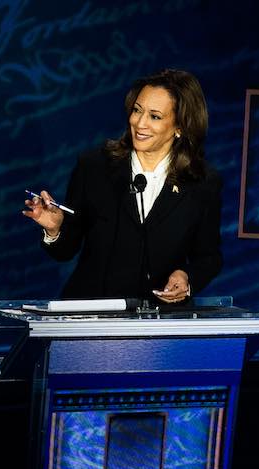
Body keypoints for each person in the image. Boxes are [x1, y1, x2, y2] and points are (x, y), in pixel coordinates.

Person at [23, 69, 222, 303]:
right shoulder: (94, 167)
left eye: (155, 116)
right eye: (137, 110)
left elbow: (209, 257)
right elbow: (66, 250)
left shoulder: (202, 182)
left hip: (159, 323)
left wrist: (186, 277)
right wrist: (55, 229)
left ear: (180, 126)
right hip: (91, 315)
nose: (139, 123)